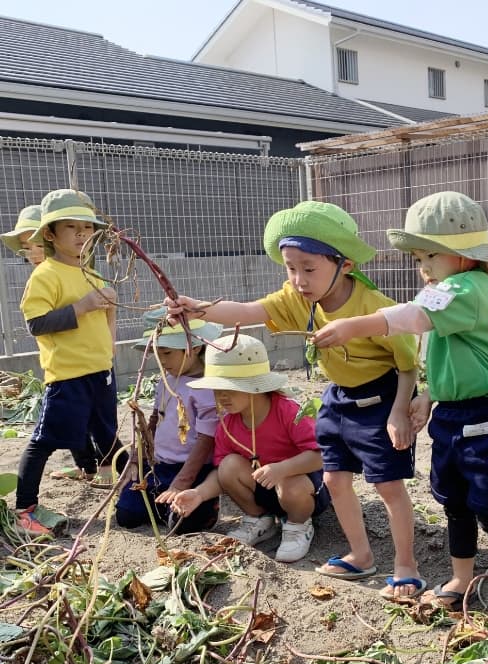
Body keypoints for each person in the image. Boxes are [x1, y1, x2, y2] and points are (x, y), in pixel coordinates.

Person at [165, 201, 424, 598]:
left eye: (308, 268)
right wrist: (199, 307)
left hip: (380, 398)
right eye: (290, 267)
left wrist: (399, 413)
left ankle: (406, 565)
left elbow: (408, 367)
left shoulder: (378, 310)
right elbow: (250, 311)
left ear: (345, 265)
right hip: (338, 398)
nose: (298, 279)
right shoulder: (297, 299)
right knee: (336, 480)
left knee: (388, 486)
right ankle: (361, 555)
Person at [312, 191, 488, 622]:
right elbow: (455, 358)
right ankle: (461, 578)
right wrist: (430, 396)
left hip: (485, 417)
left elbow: (411, 317)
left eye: (430, 255)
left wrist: (353, 325)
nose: (423, 268)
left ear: (463, 255)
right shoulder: (455, 286)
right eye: (418, 259)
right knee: (456, 503)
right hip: (452, 415)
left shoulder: (467, 287)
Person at [14, 188, 127, 534]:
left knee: (106, 429)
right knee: (46, 439)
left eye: (87, 227)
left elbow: (105, 314)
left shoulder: (89, 270)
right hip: (68, 375)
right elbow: (36, 323)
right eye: (71, 227)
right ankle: (25, 509)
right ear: (49, 233)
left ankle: (117, 479)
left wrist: (110, 340)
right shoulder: (46, 275)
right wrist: (82, 306)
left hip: (100, 369)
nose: (82, 234)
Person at [171, 333, 331, 563]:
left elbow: (321, 455)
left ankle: (298, 525)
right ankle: (259, 519)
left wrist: (282, 469)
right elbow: (221, 475)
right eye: (217, 389)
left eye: (230, 388)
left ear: (254, 386)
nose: (222, 396)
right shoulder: (227, 424)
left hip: (302, 488)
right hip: (263, 488)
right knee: (228, 466)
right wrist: (199, 493)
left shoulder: (287, 411)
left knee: (290, 483)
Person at [2, 203, 100, 483]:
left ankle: (109, 467)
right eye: (24, 247)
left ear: (48, 238)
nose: (30, 252)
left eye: (33, 244)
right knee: (80, 421)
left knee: (81, 422)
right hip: (63, 363)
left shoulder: (66, 271)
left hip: (78, 365)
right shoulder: (45, 276)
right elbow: (39, 323)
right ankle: (90, 468)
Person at [115, 308, 223, 534]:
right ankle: (162, 505)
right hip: (159, 466)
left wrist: (182, 482)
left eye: (167, 353)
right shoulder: (166, 379)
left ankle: (206, 506)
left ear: (193, 348)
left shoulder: (207, 388)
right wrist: (136, 460)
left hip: (194, 468)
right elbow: (153, 421)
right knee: (126, 515)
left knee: (182, 524)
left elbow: (206, 440)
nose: (162, 361)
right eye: (157, 354)